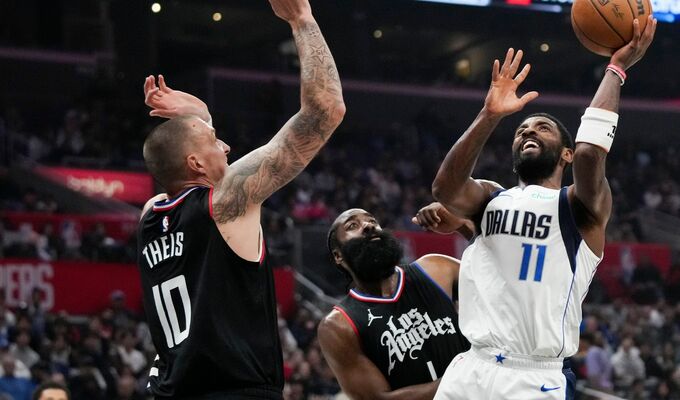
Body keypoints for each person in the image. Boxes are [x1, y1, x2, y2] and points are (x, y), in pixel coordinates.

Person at [430, 17, 657, 399]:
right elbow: (445, 188)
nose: (528, 130)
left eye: (542, 128)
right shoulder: (490, 196)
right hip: (470, 368)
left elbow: (589, 153)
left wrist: (616, 70)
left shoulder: (578, 206)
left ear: (565, 154)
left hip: (533, 377)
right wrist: (490, 115)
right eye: (521, 130)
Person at [136, 0, 345, 397]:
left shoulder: (150, 215)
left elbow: (181, 166)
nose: (228, 147)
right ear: (196, 162)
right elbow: (325, 112)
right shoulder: (226, 204)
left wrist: (200, 118)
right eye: (217, 141)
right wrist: (303, 19)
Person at [318, 203, 473, 399]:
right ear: (338, 255)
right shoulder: (338, 326)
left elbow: (500, 279)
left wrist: (462, 226)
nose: (368, 225)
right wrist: (469, 376)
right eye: (352, 226)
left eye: (372, 221)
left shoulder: (435, 268)